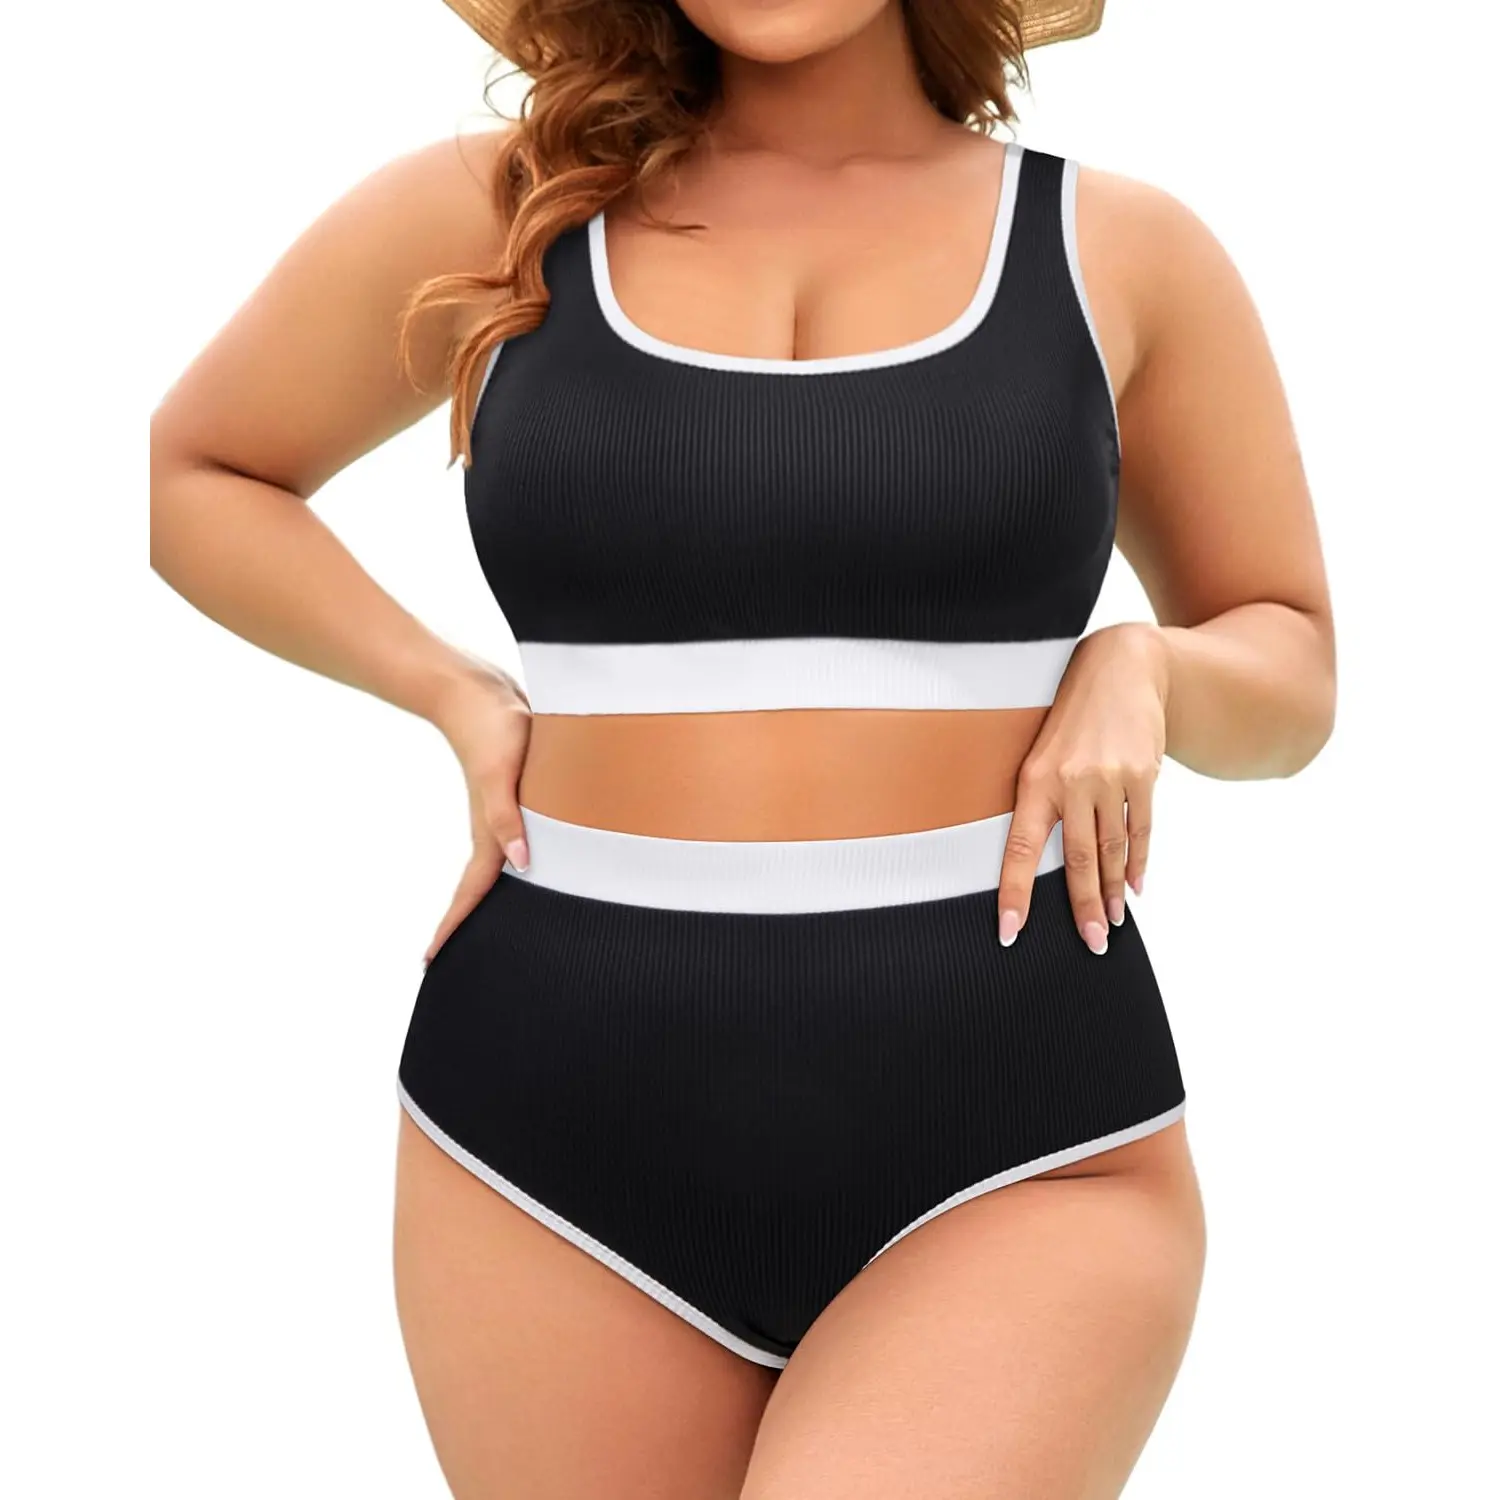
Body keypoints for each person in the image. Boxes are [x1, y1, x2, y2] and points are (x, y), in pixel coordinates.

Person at [149, 0, 1336, 1493]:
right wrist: (451, 691)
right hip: (543, 1146)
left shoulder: (1119, 249)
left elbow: (1293, 663)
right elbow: (194, 473)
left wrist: (1145, 663)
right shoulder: (508, 214)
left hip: (1022, 1137)